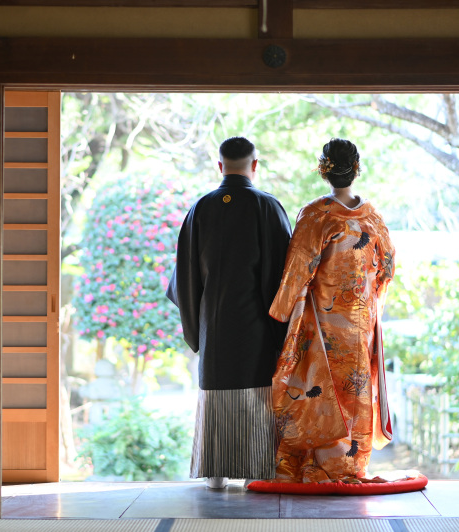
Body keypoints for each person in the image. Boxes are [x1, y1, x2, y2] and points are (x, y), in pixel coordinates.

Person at [166, 136, 292, 489]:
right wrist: (282, 329)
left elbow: (184, 276)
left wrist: (198, 324)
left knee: (218, 393)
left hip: (214, 325)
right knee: (256, 394)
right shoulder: (268, 207)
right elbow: (288, 275)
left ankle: (215, 477)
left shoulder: (201, 208)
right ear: (255, 166)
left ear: (220, 166)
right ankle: (255, 474)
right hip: (257, 325)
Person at [269, 138, 395, 483]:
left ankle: (318, 463)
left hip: (323, 320)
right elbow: (387, 267)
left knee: (319, 390)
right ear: (357, 168)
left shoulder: (315, 214)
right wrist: (368, 301)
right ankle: (351, 464)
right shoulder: (373, 217)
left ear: (323, 170)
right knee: (355, 389)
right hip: (361, 321)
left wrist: (282, 313)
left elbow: (298, 268)